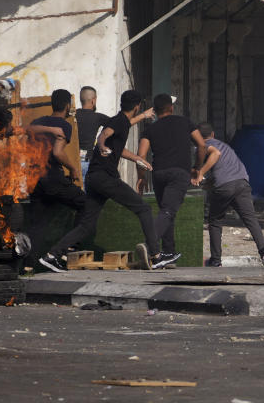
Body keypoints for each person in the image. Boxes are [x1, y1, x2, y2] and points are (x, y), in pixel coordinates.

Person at [39, 90, 173, 272]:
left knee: (87, 224)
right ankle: (156, 256)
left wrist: (137, 159)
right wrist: (101, 146)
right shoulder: (118, 122)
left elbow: (118, 147)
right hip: (104, 177)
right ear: (137, 106)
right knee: (143, 208)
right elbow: (103, 136)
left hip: (94, 178)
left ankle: (51, 256)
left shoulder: (121, 121)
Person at [137, 93, 205, 262]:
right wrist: (197, 167)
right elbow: (202, 145)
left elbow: (141, 155)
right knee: (168, 211)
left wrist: (142, 177)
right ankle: (149, 246)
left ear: (156, 110)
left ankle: (168, 253)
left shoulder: (150, 129)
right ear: (171, 108)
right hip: (179, 173)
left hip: (158, 174)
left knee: (166, 212)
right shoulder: (185, 122)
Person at [193, 123, 264, 267]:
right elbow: (223, 171)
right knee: (251, 220)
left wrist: (200, 174)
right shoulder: (225, 145)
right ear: (213, 134)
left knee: (215, 222)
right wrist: (207, 184)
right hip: (242, 183)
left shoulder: (202, 147)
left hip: (225, 186)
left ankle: (216, 261)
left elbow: (216, 154)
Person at [26, 88, 86, 223]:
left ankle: (31, 244)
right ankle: (73, 243)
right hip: (52, 179)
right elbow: (57, 152)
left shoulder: (37, 121)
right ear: (67, 106)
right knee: (85, 204)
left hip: (34, 180)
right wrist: (73, 168)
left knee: (37, 224)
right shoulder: (64, 125)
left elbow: (26, 130)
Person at [75, 86, 106, 179]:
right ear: (93, 100)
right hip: (86, 163)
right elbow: (120, 123)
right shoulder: (97, 117)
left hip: (70, 163)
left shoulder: (71, 116)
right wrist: (142, 116)